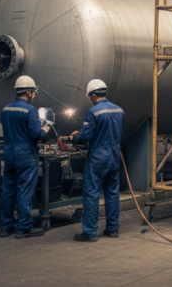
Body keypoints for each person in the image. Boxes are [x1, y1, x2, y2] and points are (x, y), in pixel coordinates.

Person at [69, 79, 124, 242]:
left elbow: (86, 137)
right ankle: (113, 229)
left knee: (92, 194)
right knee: (112, 193)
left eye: (90, 97)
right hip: (114, 157)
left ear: (93, 95)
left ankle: (90, 232)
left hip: (98, 158)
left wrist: (75, 137)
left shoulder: (93, 112)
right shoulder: (120, 110)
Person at [0, 75, 50, 239]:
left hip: (9, 153)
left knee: (8, 190)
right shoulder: (30, 110)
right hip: (25, 155)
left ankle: (5, 227)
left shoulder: (5, 109)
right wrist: (45, 130)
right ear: (28, 92)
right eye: (33, 92)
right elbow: (36, 134)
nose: (34, 95)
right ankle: (23, 227)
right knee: (24, 191)